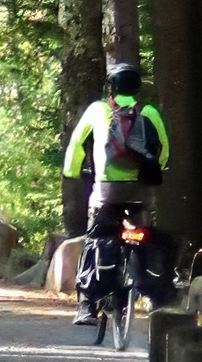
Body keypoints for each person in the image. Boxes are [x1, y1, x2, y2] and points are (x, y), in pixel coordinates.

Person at [62, 58, 171, 332]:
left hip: (106, 190)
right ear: (137, 88)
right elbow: (165, 151)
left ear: (112, 87)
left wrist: (72, 172)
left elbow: (77, 143)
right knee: (145, 234)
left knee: (95, 238)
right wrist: (155, 172)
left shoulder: (98, 110)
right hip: (140, 192)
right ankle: (152, 291)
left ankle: (87, 304)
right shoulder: (149, 112)